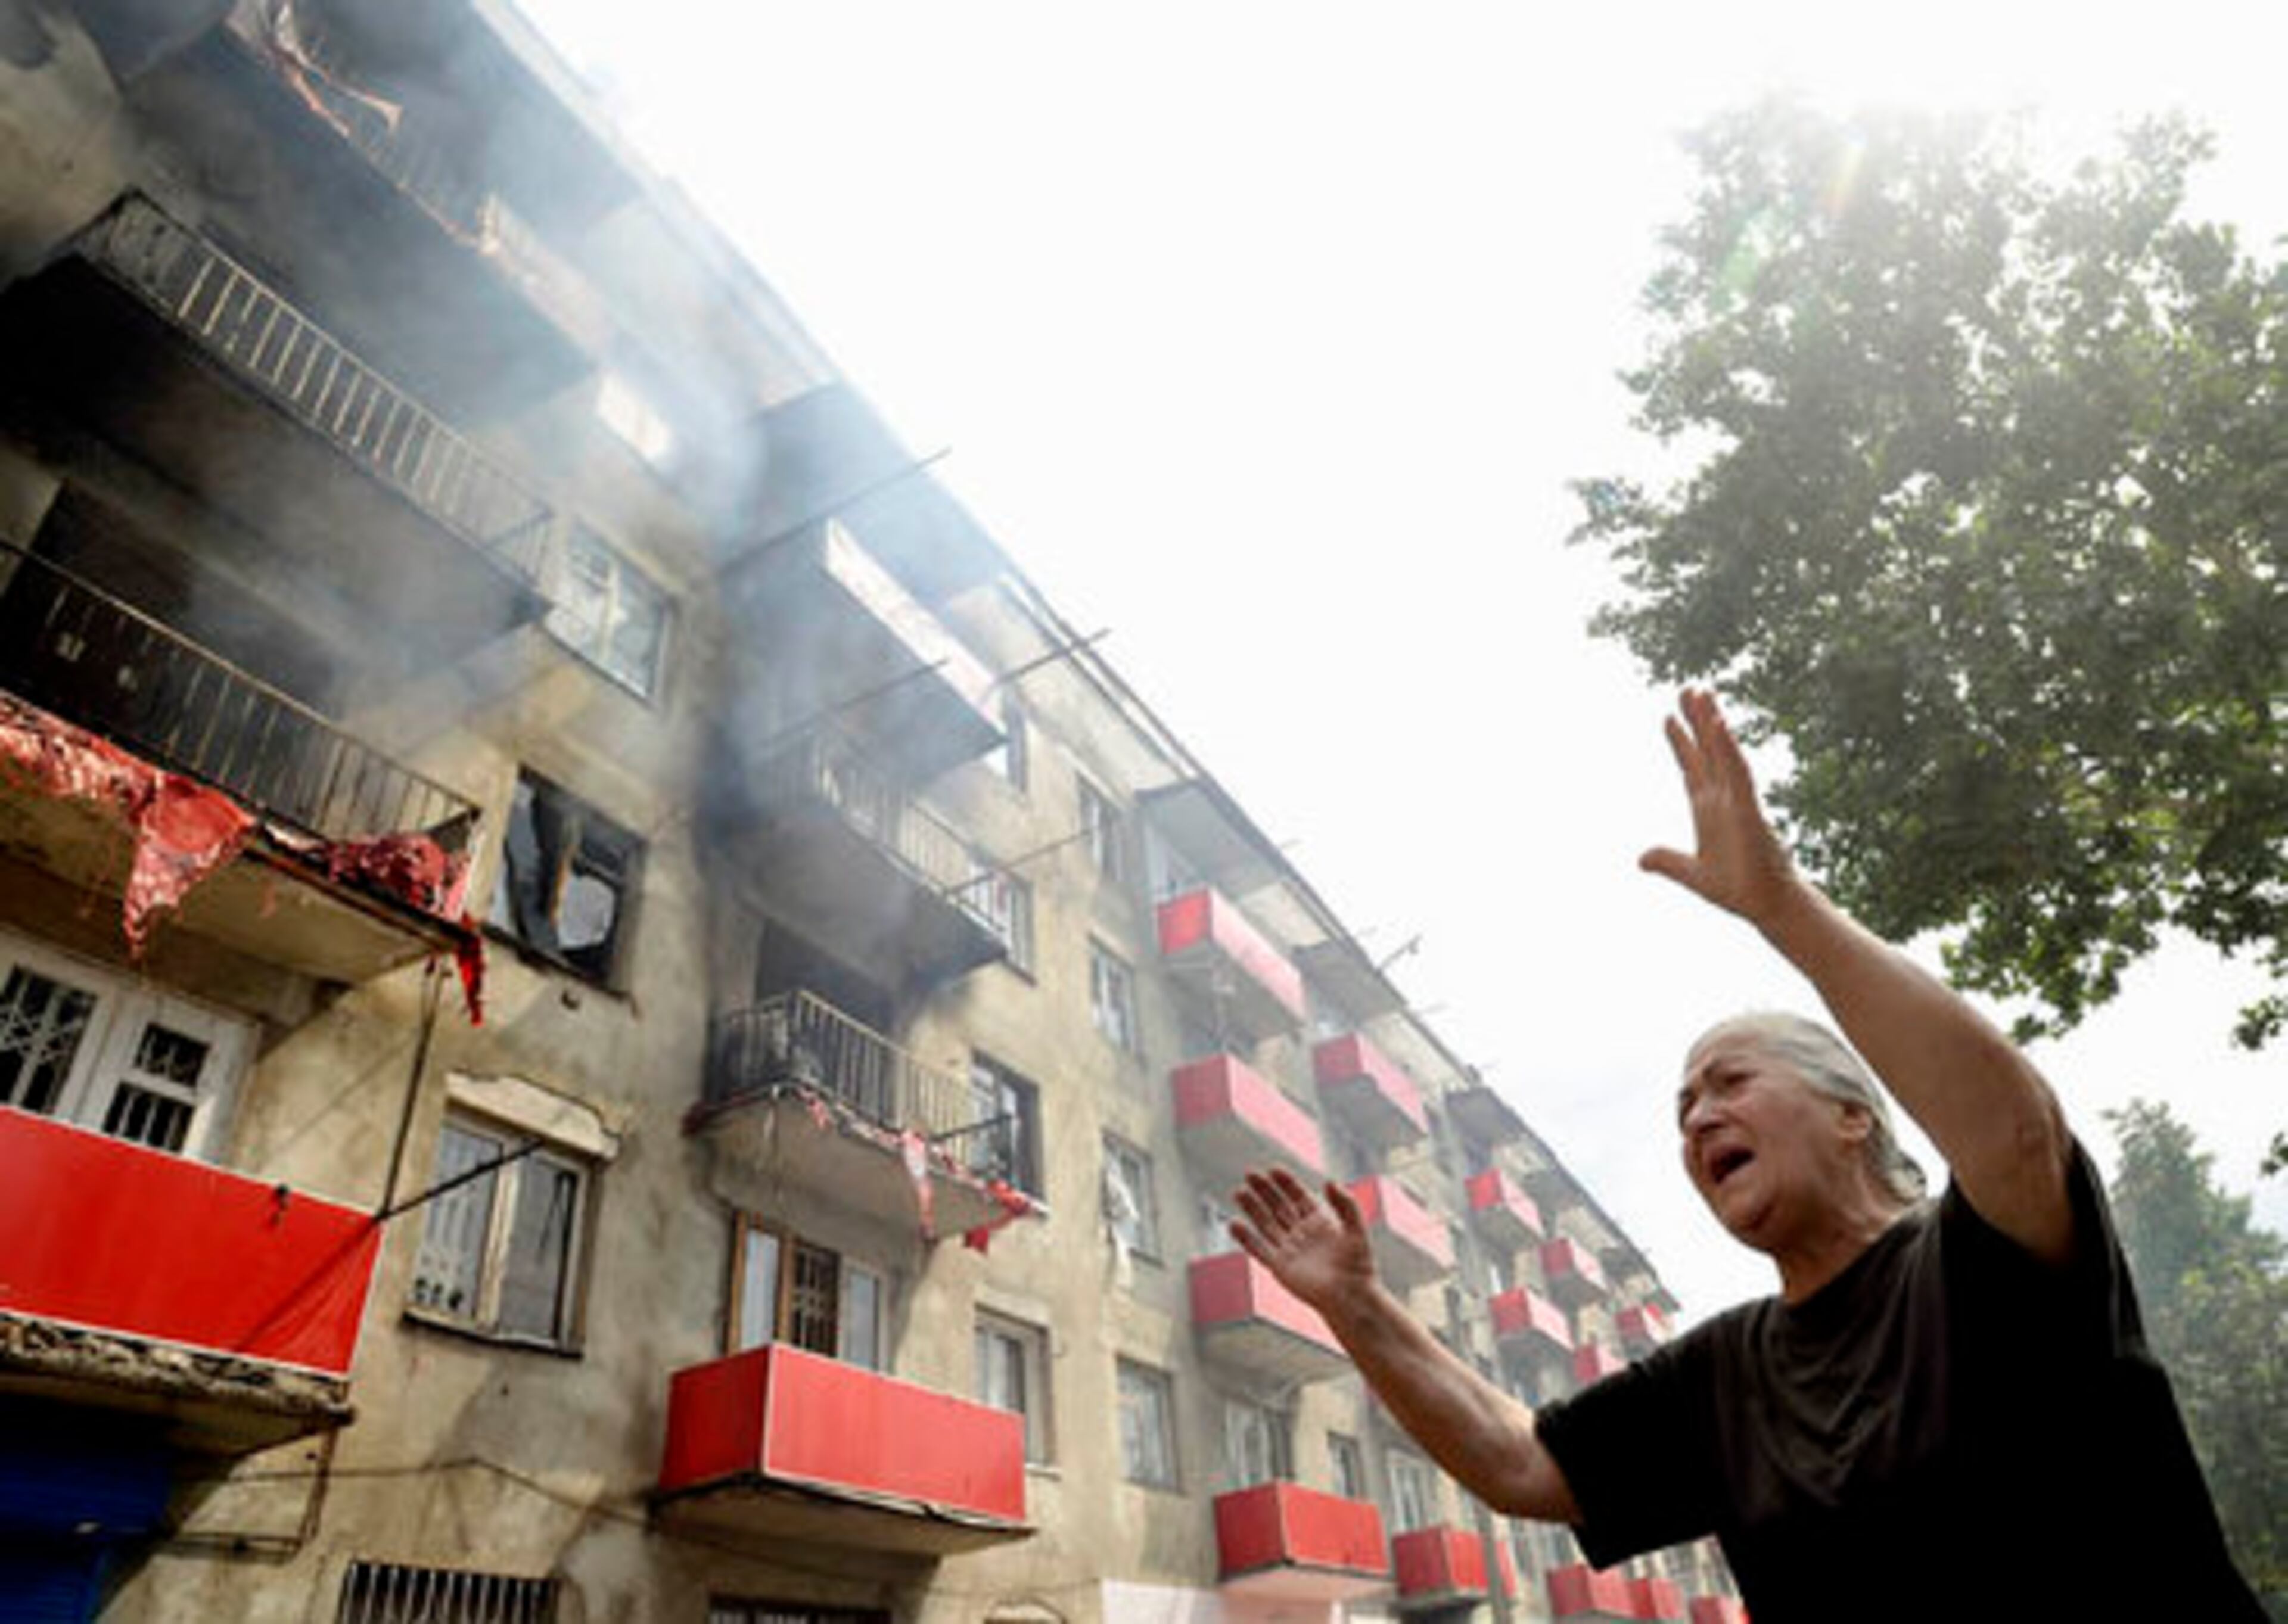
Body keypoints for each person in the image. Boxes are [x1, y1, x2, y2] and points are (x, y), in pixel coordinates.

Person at [1230, 689, 2262, 1623]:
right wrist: (1355, 1305)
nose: (1697, 1119)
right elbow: (1520, 1460)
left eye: (1730, 1082)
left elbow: (2016, 1130)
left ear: (1854, 1114)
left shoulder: (1978, 1258)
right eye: (1683, 1106)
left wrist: (1780, 906)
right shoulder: (1719, 1376)